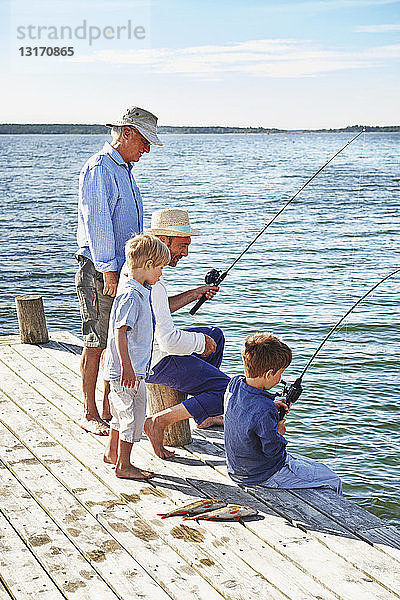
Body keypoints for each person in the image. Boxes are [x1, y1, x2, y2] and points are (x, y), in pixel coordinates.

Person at [75, 106, 162, 436]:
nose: (147, 149)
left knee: (116, 337)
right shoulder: (100, 168)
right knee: (97, 339)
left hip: (121, 269)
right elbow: (98, 224)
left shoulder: (124, 168)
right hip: (101, 269)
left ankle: (111, 405)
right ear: (126, 133)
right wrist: (110, 273)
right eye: (143, 141)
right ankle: (90, 411)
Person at [132, 208, 230, 459]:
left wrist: (194, 294)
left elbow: (160, 310)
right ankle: (159, 422)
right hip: (156, 360)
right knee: (226, 390)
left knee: (216, 335)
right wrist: (200, 342)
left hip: (149, 351)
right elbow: (168, 341)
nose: (186, 252)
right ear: (164, 240)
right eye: (183, 245)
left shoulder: (142, 269)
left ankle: (204, 413)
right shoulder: (154, 283)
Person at [224, 333, 342, 493]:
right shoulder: (263, 409)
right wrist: (278, 433)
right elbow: (273, 451)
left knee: (318, 468)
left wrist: (271, 406)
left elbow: (247, 410)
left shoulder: (235, 384)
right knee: (333, 479)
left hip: (237, 470)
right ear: (268, 374)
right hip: (262, 475)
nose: (280, 379)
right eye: (280, 374)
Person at [102, 234, 170, 479]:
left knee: (122, 413)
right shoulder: (131, 295)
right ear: (148, 265)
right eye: (160, 268)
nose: (161, 273)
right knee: (133, 416)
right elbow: (120, 333)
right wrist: (128, 369)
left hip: (132, 369)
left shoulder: (139, 290)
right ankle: (124, 465)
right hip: (127, 371)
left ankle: (112, 453)